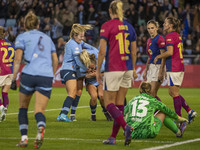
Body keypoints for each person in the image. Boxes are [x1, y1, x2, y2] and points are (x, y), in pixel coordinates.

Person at [11, 11, 58, 148]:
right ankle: (40, 126)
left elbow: (18, 59)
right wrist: (52, 74)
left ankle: (24, 138)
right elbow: (55, 60)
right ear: (38, 25)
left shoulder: (22, 37)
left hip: (29, 74)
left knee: (23, 108)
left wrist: (14, 78)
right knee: (39, 110)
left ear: (25, 25)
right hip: (46, 76)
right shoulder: (47, 38)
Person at [96, 0, 138, 146]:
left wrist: (97, 70)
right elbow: (134, 51)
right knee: (120, 104)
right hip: (127, 68)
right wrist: (133, 68)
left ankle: (126, 126)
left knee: (108, 103)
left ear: (110, 11)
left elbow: (102, 51)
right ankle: (113, 137)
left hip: (113, 68)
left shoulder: (107, 26)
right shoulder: (130, 27)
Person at [154, 17, 197, 124]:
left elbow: (170, 52)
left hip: (174, 67)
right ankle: (189, 111)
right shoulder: (177, 35)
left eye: (165, 23)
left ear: (170, 25)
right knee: (172, 92)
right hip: (178, 66)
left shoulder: (169, 36)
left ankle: (179, 120)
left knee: (174, 93)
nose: (163, 24)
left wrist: (158, 56)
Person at [56, 24, 96, 122]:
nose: (82, 38)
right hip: (68, 70)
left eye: (83, 36)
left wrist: (96, 52)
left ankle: (62, 114)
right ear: (74, 35)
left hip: (72, 70)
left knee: (75, 92)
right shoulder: (73, 44)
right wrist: (86, 69)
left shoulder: (78, 42)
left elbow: (92, 48)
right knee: (72, 92)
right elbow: (78, 61)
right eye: (81, 36)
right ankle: (64, 114)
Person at [79, 49, 112, 121]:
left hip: (99, 81)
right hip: (90, 82)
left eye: (92, 67)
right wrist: (86, 75)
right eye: (89, 68)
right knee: (94, 97)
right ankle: (93, 115)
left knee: (102, 96)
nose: (91, 69)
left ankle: (106, 112)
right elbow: (79, 75)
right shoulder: (83, 65)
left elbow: (106, 72)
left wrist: (97, 74)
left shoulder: (101, 64)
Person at [143, 20, 165, 100]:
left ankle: (160, 110)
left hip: (158, 66)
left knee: (152, 92)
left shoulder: (160, 39)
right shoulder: (149, 40)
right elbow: (149, 56)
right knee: (150, 93)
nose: (150, 30)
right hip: (151, 67)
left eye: (152, 28)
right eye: (148, 28)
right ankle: (159, 110)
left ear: (156, 28)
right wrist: (145, 70)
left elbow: (163, 56)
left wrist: (161, 71)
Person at [0, 26, 15, 122]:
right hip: (10, 70)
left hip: (1, 70)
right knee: (5, 93)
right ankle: (4, 110)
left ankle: (1, 108)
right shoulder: (11, 44)